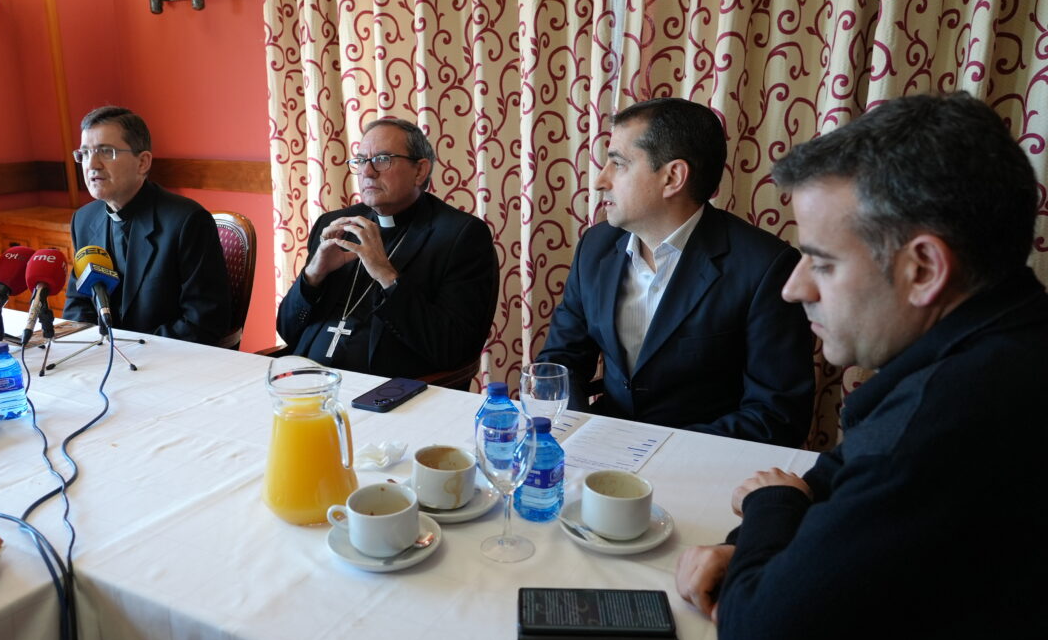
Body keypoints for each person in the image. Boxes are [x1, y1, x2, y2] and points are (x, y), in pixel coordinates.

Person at [675, 92, 1048, 640]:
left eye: (823, 263)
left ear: (923, 269)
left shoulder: (943, 422)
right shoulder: (1003, 332)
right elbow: (844, 467)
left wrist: (771, 506)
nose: (793, 288)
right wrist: (755, 545)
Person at [536, 99, 814, 446]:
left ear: (673, 177)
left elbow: (778, 416)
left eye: (617, 164)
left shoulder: (766, 268)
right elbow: (558, 364)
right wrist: (581, 433)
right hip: (603, 450)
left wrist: (649, 449)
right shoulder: (595, 247)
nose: (599, 180)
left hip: (703, 460)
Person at [276, 118, 498, 379]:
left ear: (420, 171)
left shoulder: (461, 236)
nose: (367, 172)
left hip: (387, 391)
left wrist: (386, 275)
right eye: (361, 160)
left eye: (382, 159)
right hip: (305, 381)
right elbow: (287, 330)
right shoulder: (334, 224)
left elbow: (454, 349)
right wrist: (313, 275)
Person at [63, 106, 231, 345]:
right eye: (85, 153)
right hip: (103, 357)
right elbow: (78, 305)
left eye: (106, 152)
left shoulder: (187, 221)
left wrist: (131, 349)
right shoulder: (84, 219)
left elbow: (202, 322)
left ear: (142, 162)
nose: (92, 164)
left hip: (169, 358)